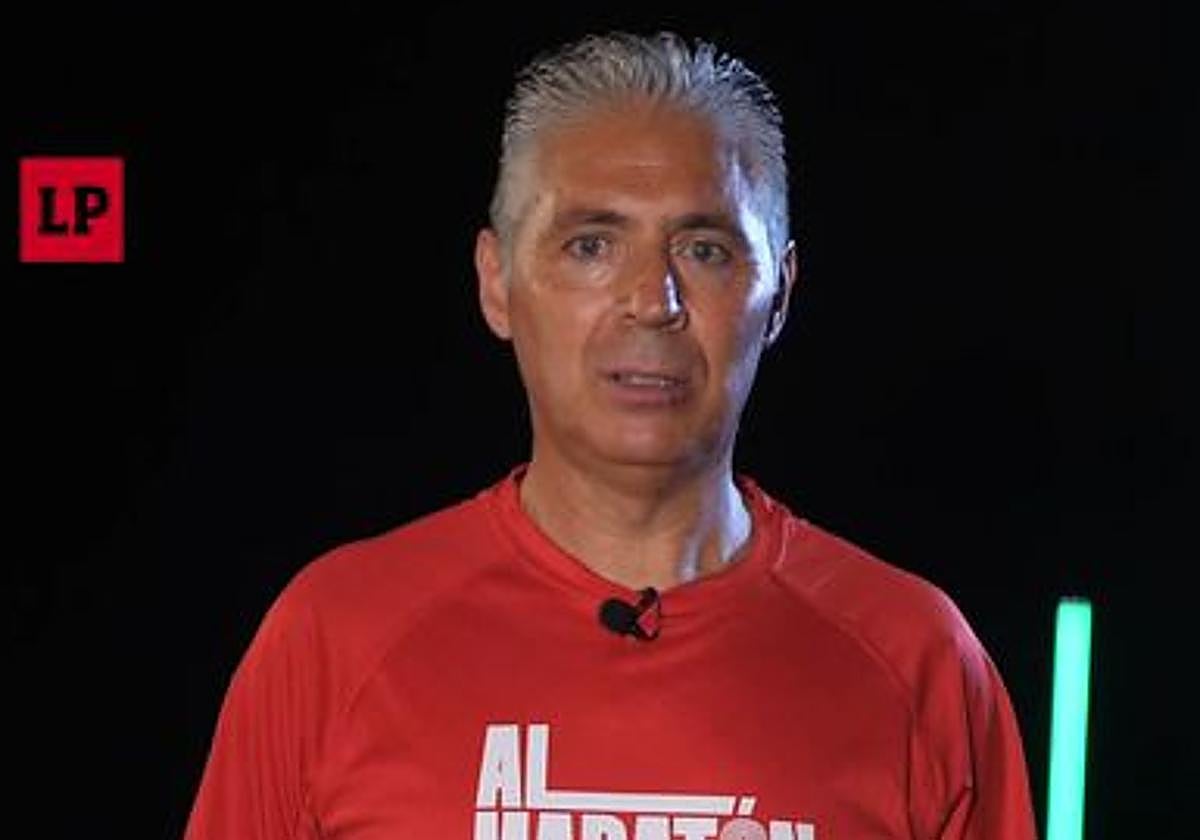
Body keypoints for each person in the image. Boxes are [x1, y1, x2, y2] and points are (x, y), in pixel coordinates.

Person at [184, 31, 1038, 840]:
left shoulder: (916, 658)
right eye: (591, 245)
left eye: (704, 249)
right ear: (496, 282)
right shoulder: (335, 639)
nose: (652, 302)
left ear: (779, 294)